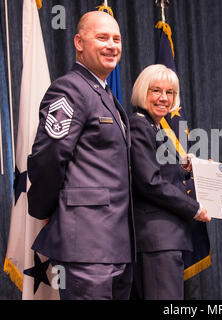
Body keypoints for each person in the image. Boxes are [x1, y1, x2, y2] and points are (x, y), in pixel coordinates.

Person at [27, 11, 135, 300]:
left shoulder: (105, 95)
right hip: (86, 245)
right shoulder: (70, 89)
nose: (112, 45)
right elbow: (48, 158)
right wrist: (46, 210)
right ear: (78, 41)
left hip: (117, 246)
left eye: (117, 39)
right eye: (102, 37)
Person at [129, 64, 211, 300]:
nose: (164, 98)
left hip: (165, 237)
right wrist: (194, 208)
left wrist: (185, 168)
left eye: (170, 93)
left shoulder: (154, 127)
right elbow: (150, 182)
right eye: (156, 90)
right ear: (143, 92)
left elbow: (160, 173)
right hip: (157, 240)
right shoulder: (139, 125)